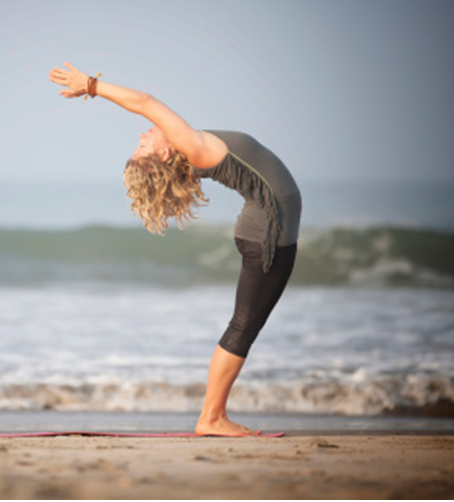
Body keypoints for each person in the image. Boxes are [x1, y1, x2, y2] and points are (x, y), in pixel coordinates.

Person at [48, 62, 302, 436]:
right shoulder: (192, 148)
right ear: (165, 155)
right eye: (143, 145)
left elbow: (147, 112)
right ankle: (211, 418)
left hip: (266, 228)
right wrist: (91, 86)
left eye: (141, 141)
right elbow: (144, 102)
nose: (143, 134)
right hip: (268, 233)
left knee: (246, 324)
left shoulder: (188, 153)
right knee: (244, 325)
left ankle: (212, 416)